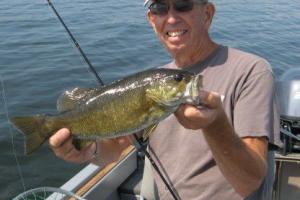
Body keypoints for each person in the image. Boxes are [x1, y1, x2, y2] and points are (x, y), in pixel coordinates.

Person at [49, 0, 281, 199]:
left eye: (182, 5)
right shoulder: (155, 81)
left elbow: (250, 181)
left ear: (207, 13)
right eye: (160, 8)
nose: (171, 18)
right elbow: (115, 146)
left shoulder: (251, 71)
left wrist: (215, 124)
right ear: (151, 19)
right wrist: (88, 153)